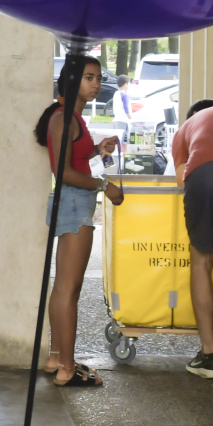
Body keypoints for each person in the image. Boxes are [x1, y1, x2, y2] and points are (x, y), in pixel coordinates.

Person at [33, 54, 123, 388]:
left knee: (63, 288)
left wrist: (97, 149)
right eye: (89, 77)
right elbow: (64, 172)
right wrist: (106, 186)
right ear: (72, 81)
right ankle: (68, 369)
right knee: (69, 291)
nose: (96, 84)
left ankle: (58, 357)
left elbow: (73, 159)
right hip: (74, 204)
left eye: (98, 77)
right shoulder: (64, 118)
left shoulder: (70, 117)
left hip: (72, 204)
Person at [169, 98, 213, 380]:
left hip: (205, 175)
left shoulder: (184, 129)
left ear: (193, 117)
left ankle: (210, 356)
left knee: (201, 260)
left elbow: (182, 179)